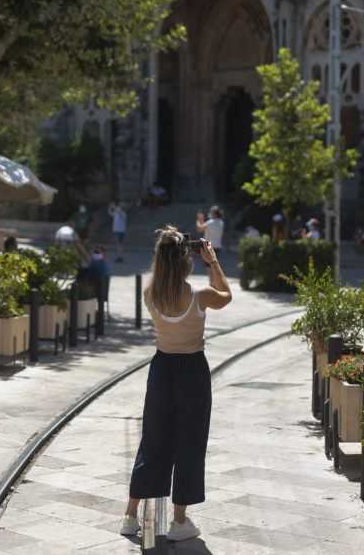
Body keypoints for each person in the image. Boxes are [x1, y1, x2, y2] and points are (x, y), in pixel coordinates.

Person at [120, 227, 232, 542]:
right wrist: (213, 262)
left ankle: (130, 515)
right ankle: (179, 521)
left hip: (161, 369)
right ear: (186, 261)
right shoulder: (200, 295)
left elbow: (166, 284)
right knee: (189, 443)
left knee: (153, 440)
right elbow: (227, 295)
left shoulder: (149, 294)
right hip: (192, 371)